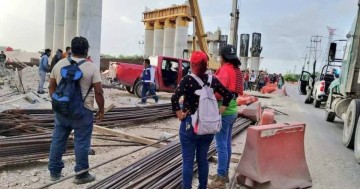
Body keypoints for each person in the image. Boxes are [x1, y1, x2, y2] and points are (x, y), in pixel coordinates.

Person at [171, 51, 232, 189]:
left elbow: (174, 98)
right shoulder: (213, 80)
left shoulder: (187, 80)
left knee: (187, 161)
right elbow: (228, 95)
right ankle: (202, 187)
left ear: (192, 64)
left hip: (190, 125)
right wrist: (219, 112)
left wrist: (180, 114)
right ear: (206, 65)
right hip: (207, 127)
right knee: (202, 159)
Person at [48, 36, 104, 184]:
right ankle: (81, 174)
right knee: (82, 142)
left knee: (58, 140)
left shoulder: (59, 64)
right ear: (87, 50)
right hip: (83, 111)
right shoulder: (91, 67)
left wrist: (57, 102)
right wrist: (101, 110)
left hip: (62, 110)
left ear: (71, 49)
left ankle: (54, 172)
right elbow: (98, 91)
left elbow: (51, 87)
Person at [208, 45, 243, 189]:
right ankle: (225, 173)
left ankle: (220, 179)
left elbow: (217, 92)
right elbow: (238, 91)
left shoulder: (225, 70)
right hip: (233, 111)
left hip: (223, 111)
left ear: (222, 57)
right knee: (227, 144)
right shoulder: (236, 70)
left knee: (221, 145)